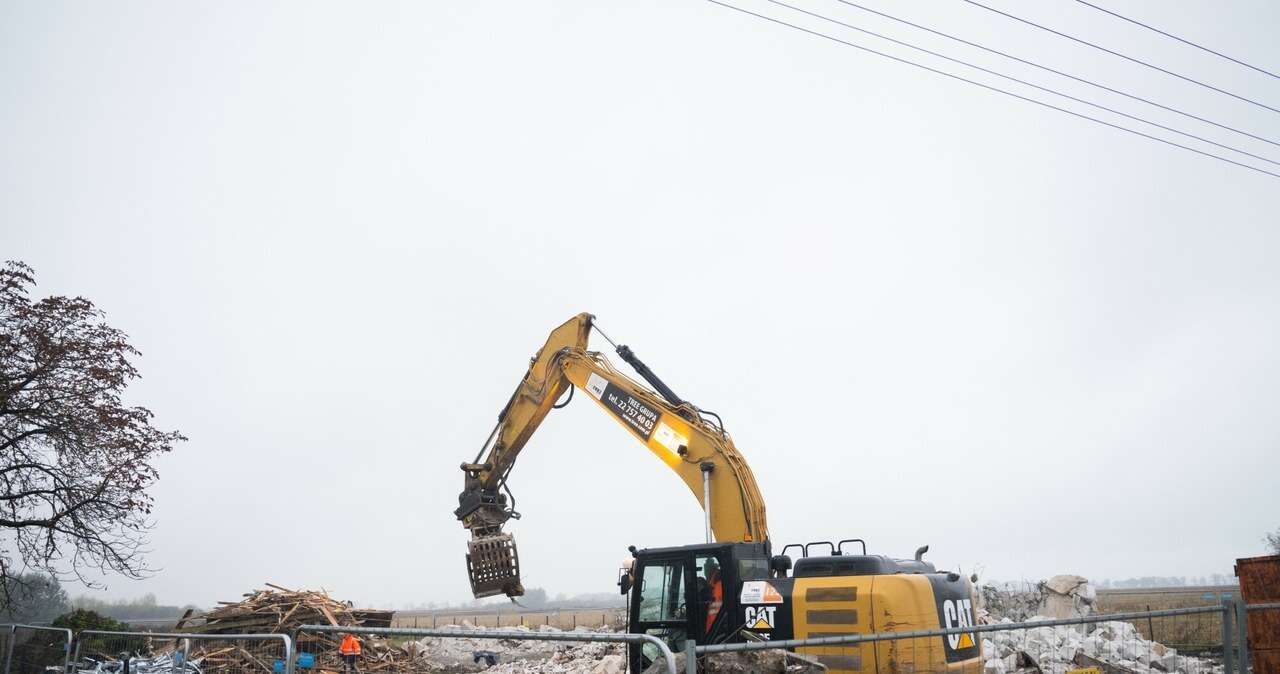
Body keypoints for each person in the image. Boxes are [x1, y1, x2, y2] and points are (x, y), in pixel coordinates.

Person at [704, 558, 722, 634]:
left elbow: (714, 615)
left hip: (715, 633)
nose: (705, 572)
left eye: (706, 568)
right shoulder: (712, 585)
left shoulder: (718, 586)